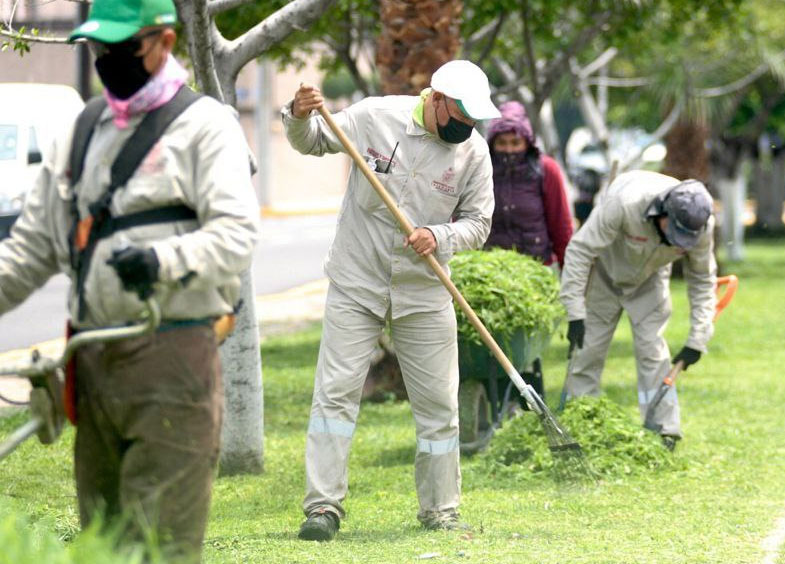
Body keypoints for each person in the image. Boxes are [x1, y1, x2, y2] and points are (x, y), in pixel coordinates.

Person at [0, 0, 260, 561]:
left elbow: (237, 236)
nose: (107, 59)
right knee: (105, 541)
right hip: (92, 364)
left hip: (172, 360)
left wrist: (161, 260)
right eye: (99, 48)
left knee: (158, 545)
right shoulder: (82, 128)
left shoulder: (205, 126)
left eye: (122, 48)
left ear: (163, 42)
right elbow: (29, 252)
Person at [281, 59, 500, 540]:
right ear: (436, 99)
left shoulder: (474, 153)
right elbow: (312, 140)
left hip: (424, 290)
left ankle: (440, 509)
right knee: (335, 393)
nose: (465, 129)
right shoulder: (375, 116)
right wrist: (297, 115)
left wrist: (439, 236)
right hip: (357, 280)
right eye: (459, 118)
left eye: (473, 121)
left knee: (439, 403)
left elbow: (479, 224)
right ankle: (323, 508)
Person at [558, 170, 717, 451]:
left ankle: (662, 432)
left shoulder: (702, 226)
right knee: (587, 351)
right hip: (605, 275)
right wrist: (575, 312)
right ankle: (579, 426)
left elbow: (703, 279)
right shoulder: (624, 204)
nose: (678, 242)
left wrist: (697, 340)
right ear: (662, 211)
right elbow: (580, 251)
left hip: (650, 280)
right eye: (674, 231)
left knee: (653, 352)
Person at [483, 101, 573, 267]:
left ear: (527, 143)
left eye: (515, 143)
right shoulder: (481, 169)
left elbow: (561, 227)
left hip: (535, 269)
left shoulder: (546, 169)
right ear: (492, 144)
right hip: (488, 268)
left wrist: (567, 270)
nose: (509, 150)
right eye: (502, 143)